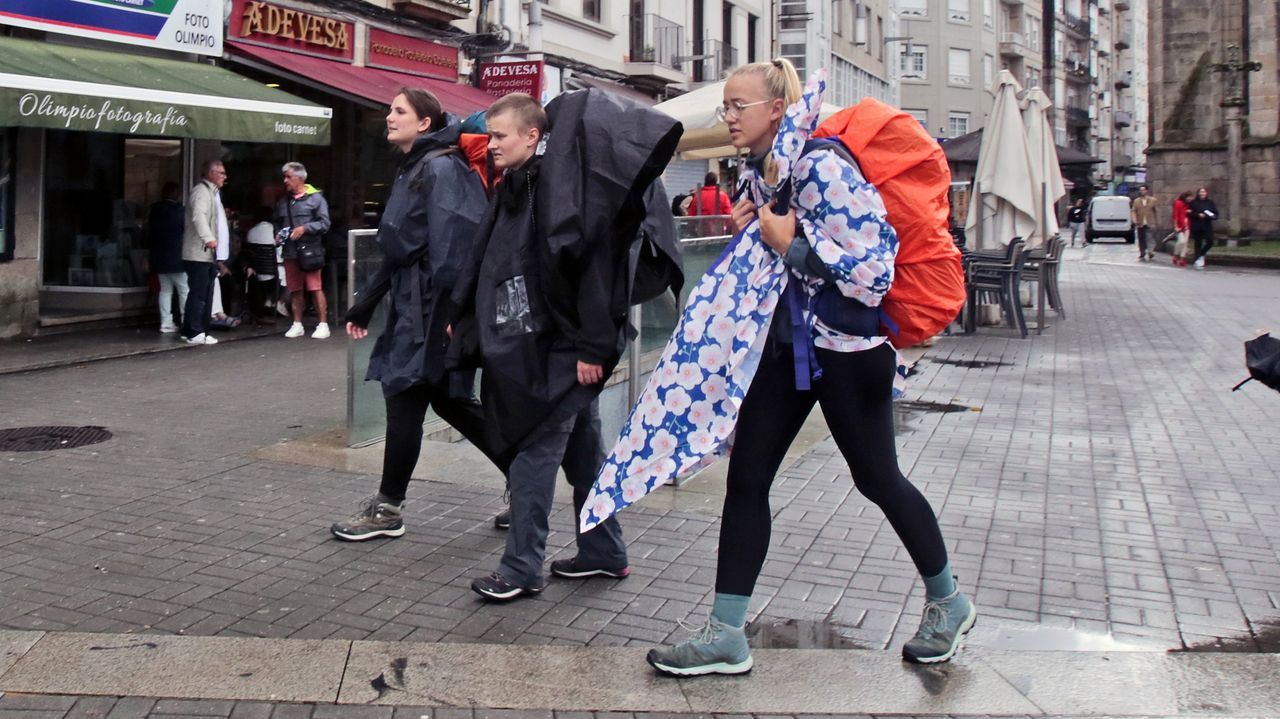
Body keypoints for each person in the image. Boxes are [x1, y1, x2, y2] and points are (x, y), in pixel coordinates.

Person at [643, 59, 974, 675]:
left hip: (848, 354)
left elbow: (873, 272)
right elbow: (777, 259)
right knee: (746, 480)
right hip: (788, 351)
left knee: (878, 480)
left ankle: (948, 602)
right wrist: (751, 233)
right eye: (726, 106)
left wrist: (785, 243)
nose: (728, 117)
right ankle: (725, 634)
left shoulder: (821, 165)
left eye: (738, 105)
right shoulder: (763, 170)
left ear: (777, 108)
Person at [449, 90, 677, 602]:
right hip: (549, 349)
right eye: (489, 136)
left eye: (500, 135)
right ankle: (603, 551)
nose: (491, 145)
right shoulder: (525, 184)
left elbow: (590, 270)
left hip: (559, 354)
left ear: (532, 135)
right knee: (583, 454)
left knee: (534, 451)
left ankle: (522, 567)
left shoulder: (554, 189)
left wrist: (591, 349)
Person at [333, 87, 508, 542]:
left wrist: (452, 315)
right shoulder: (416, 166)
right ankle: (528, 477)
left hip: (429, 310)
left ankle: (389, 509)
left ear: (424, 123)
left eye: (398, 111)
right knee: (447, 399)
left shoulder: (440, 168)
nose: (388, 116)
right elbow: (398, 248)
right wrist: (367, 302)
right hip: (417, 304)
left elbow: (454, 248)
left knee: (405, 391)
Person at [276, 161, 332, 339]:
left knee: (315, 287)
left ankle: (323, 324)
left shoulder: (316, 199)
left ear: (300, 178)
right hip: (290, 250)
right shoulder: (284, 202)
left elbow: (325, 223)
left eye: (289, 177)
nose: (285, 181)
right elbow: (277, 222)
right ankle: (297, 323)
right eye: (284, 177)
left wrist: (305, 228)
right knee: (295, 289)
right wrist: (277, 235)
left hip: (310, 250)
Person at [179, 160, 227, 346]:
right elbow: (198, 216)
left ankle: (191, 330)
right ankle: (196, 331)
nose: (224, 176)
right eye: (221, 173)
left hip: (203, 253)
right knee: (200, 294)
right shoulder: (202, 192)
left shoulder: (209, 192)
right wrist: (209, 238)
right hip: (199, 252)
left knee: (200, 293)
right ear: (212, 173)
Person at [148, 182, 187, 333]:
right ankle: (185, 319)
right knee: (184, 290)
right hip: (177, 257)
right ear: (176, 194)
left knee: (165, 291)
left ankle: (166, 322)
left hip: (159, 256)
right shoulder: (180, 212)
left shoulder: (155, 210)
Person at [1188, 186, 1218, 270]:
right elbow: (1190, 213)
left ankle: (1201, 254)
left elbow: (1215, 213)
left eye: (1204, 192)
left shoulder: (1210, 202)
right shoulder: (1194, 202)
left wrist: (1210, 216)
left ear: (1206, 193)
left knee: (1210, 241)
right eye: (1201, 192)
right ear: (1198, 193)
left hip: (1207, 224)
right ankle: (1197, 259)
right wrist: (1198, 215)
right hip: (1197, 225)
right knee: (1198, 242)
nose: (1202, 193)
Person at [1132, 185, 1158, 261]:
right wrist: (1134, 219)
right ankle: (1142, 252)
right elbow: (1133, 211)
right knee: (1141, 238)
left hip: (1150, 222)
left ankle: (1150, 251)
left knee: (1149, 237)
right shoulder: (1136, 201)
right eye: (1141, 190)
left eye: (1143, 190)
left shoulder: (1153, 200)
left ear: (1147, 190)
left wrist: (1156, 222)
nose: (1142, 191)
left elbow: (1156, 211)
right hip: (1140, 223)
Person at [1171, 190, 1192, 266]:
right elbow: (1175, 215)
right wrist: (1176, 225)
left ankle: (1182, 258)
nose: (1190, 199)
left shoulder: (1188, 204)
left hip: (1187, 225)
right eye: (1189, 197)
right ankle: (1176, 254)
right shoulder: (1178, 203)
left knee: (1185, 242)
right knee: (1181, 241)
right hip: (1180, 225)